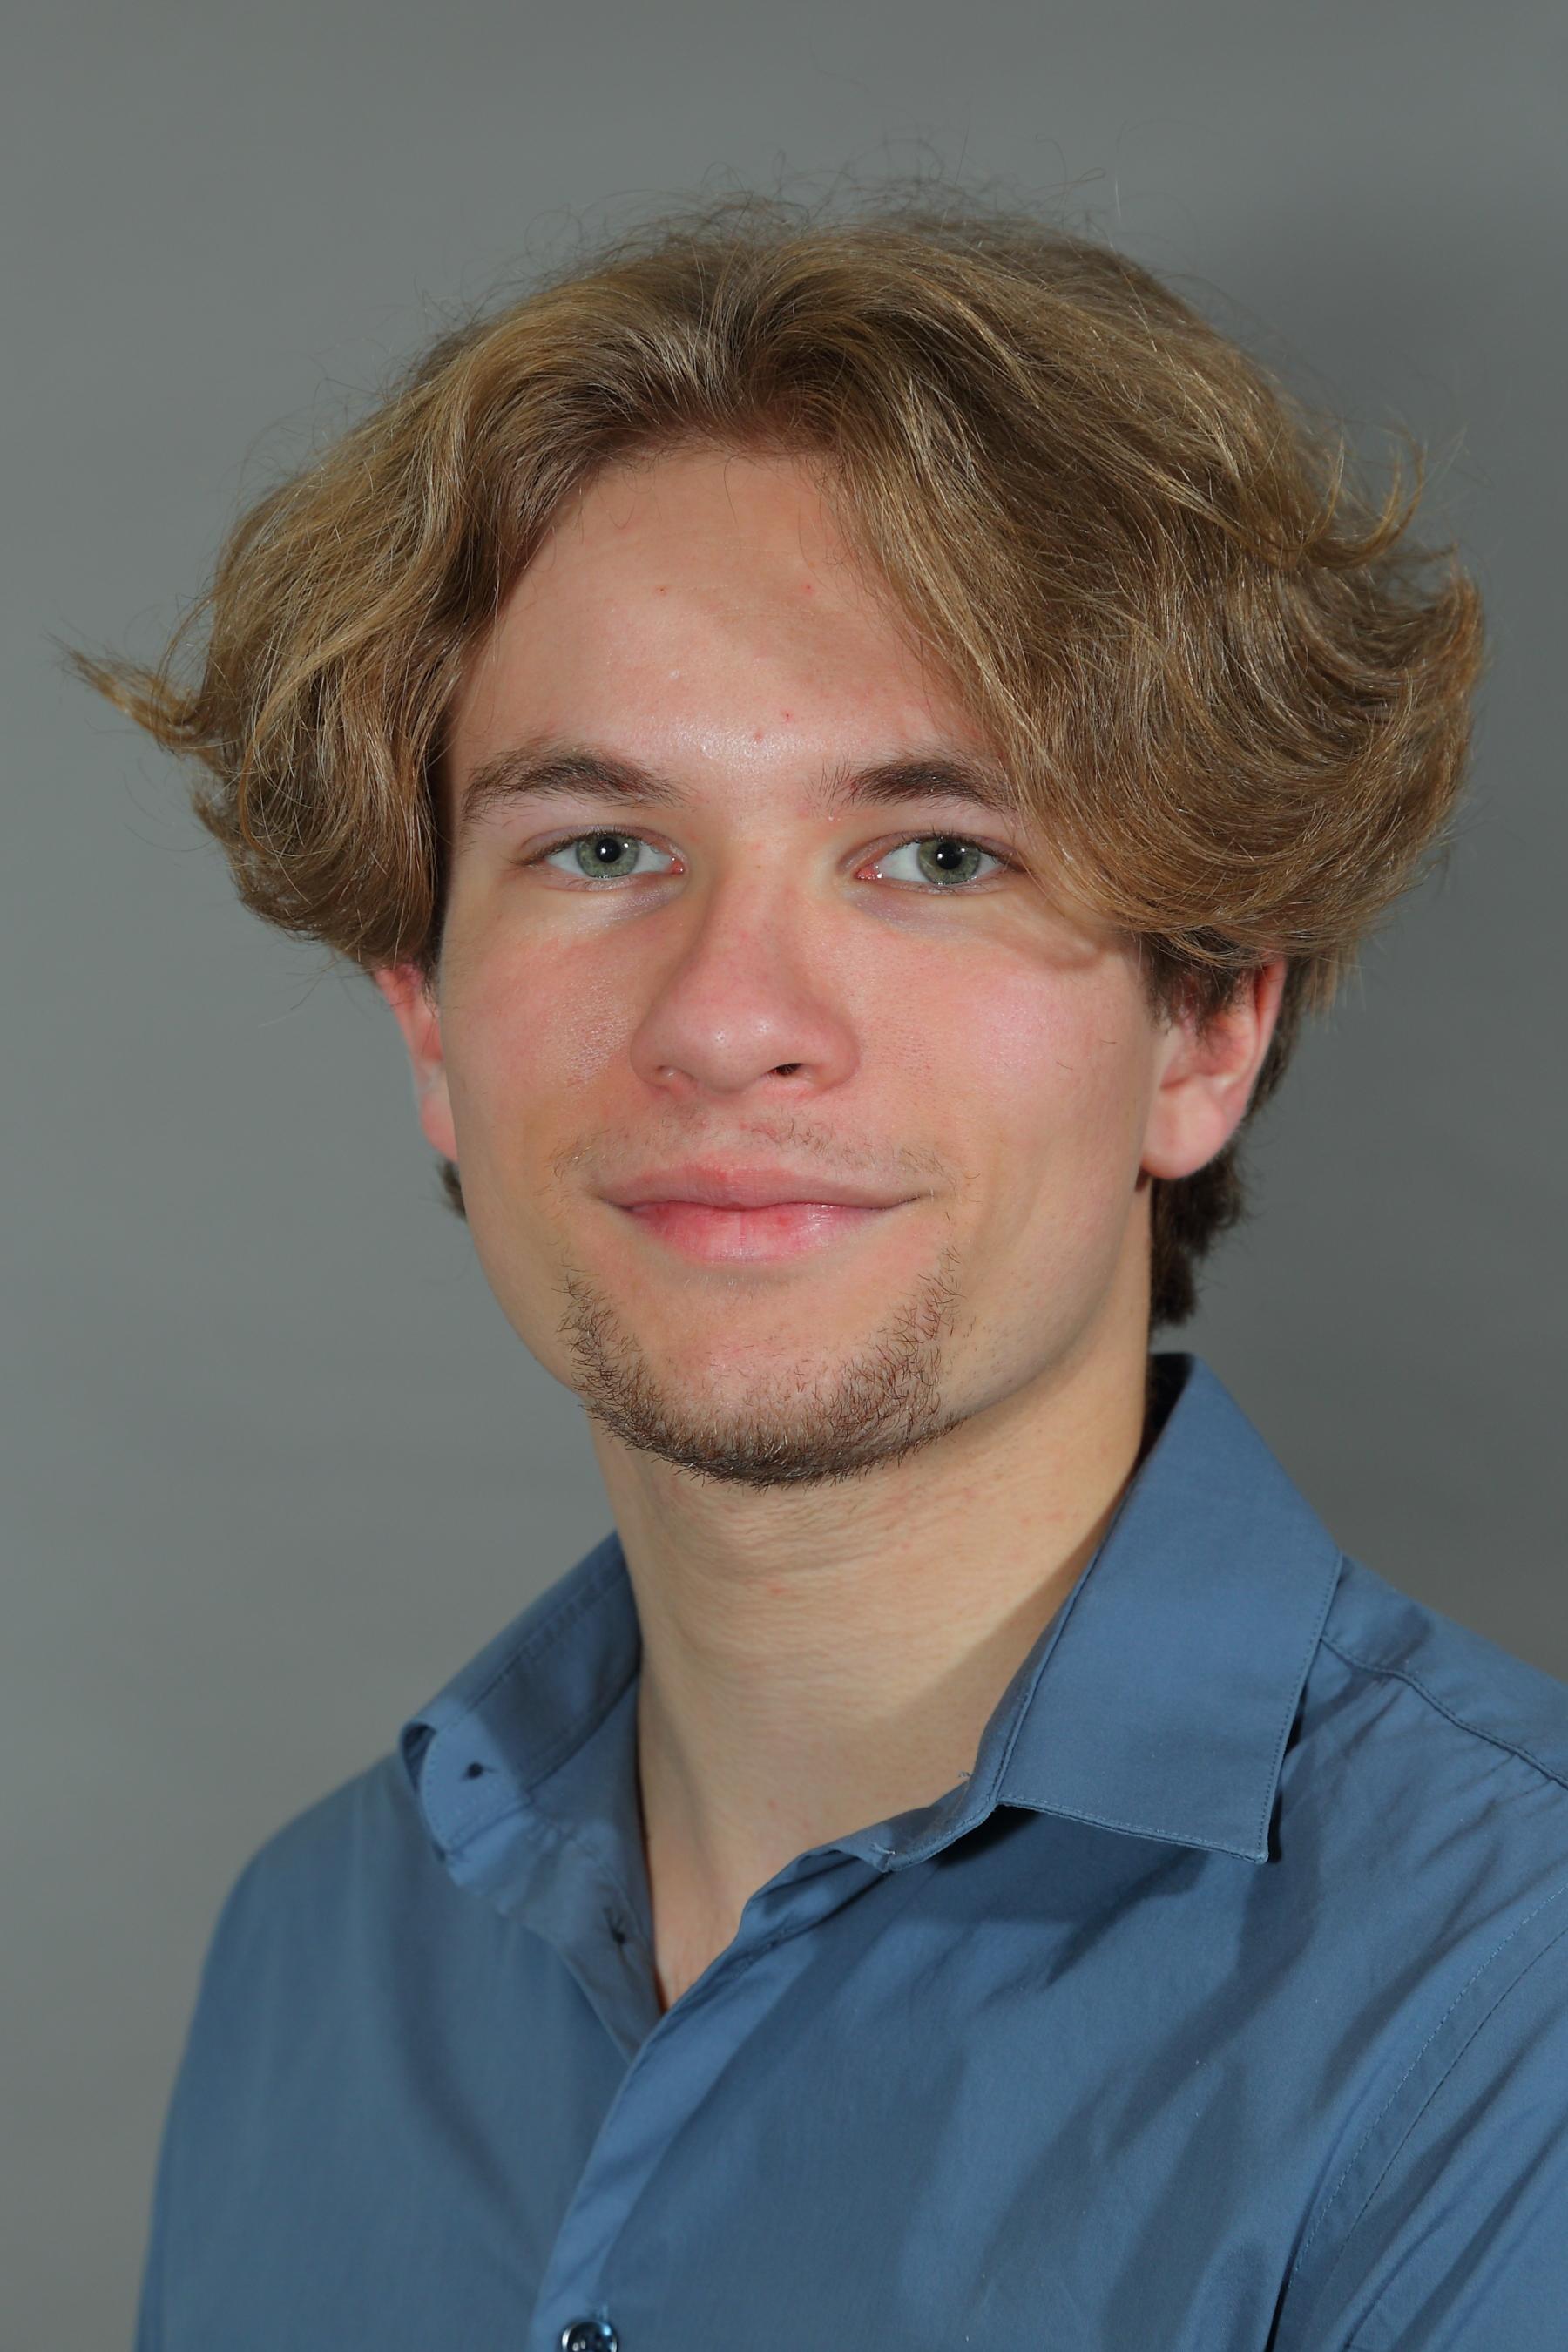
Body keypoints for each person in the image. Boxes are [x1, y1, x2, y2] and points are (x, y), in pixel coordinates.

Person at [77, 193, 1568, 2352]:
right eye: (602, 847)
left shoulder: (1510, 2006)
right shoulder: (315, 1964)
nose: (729, 1019)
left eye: (935, 854)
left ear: (1205, 1031)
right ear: (428, 1023)